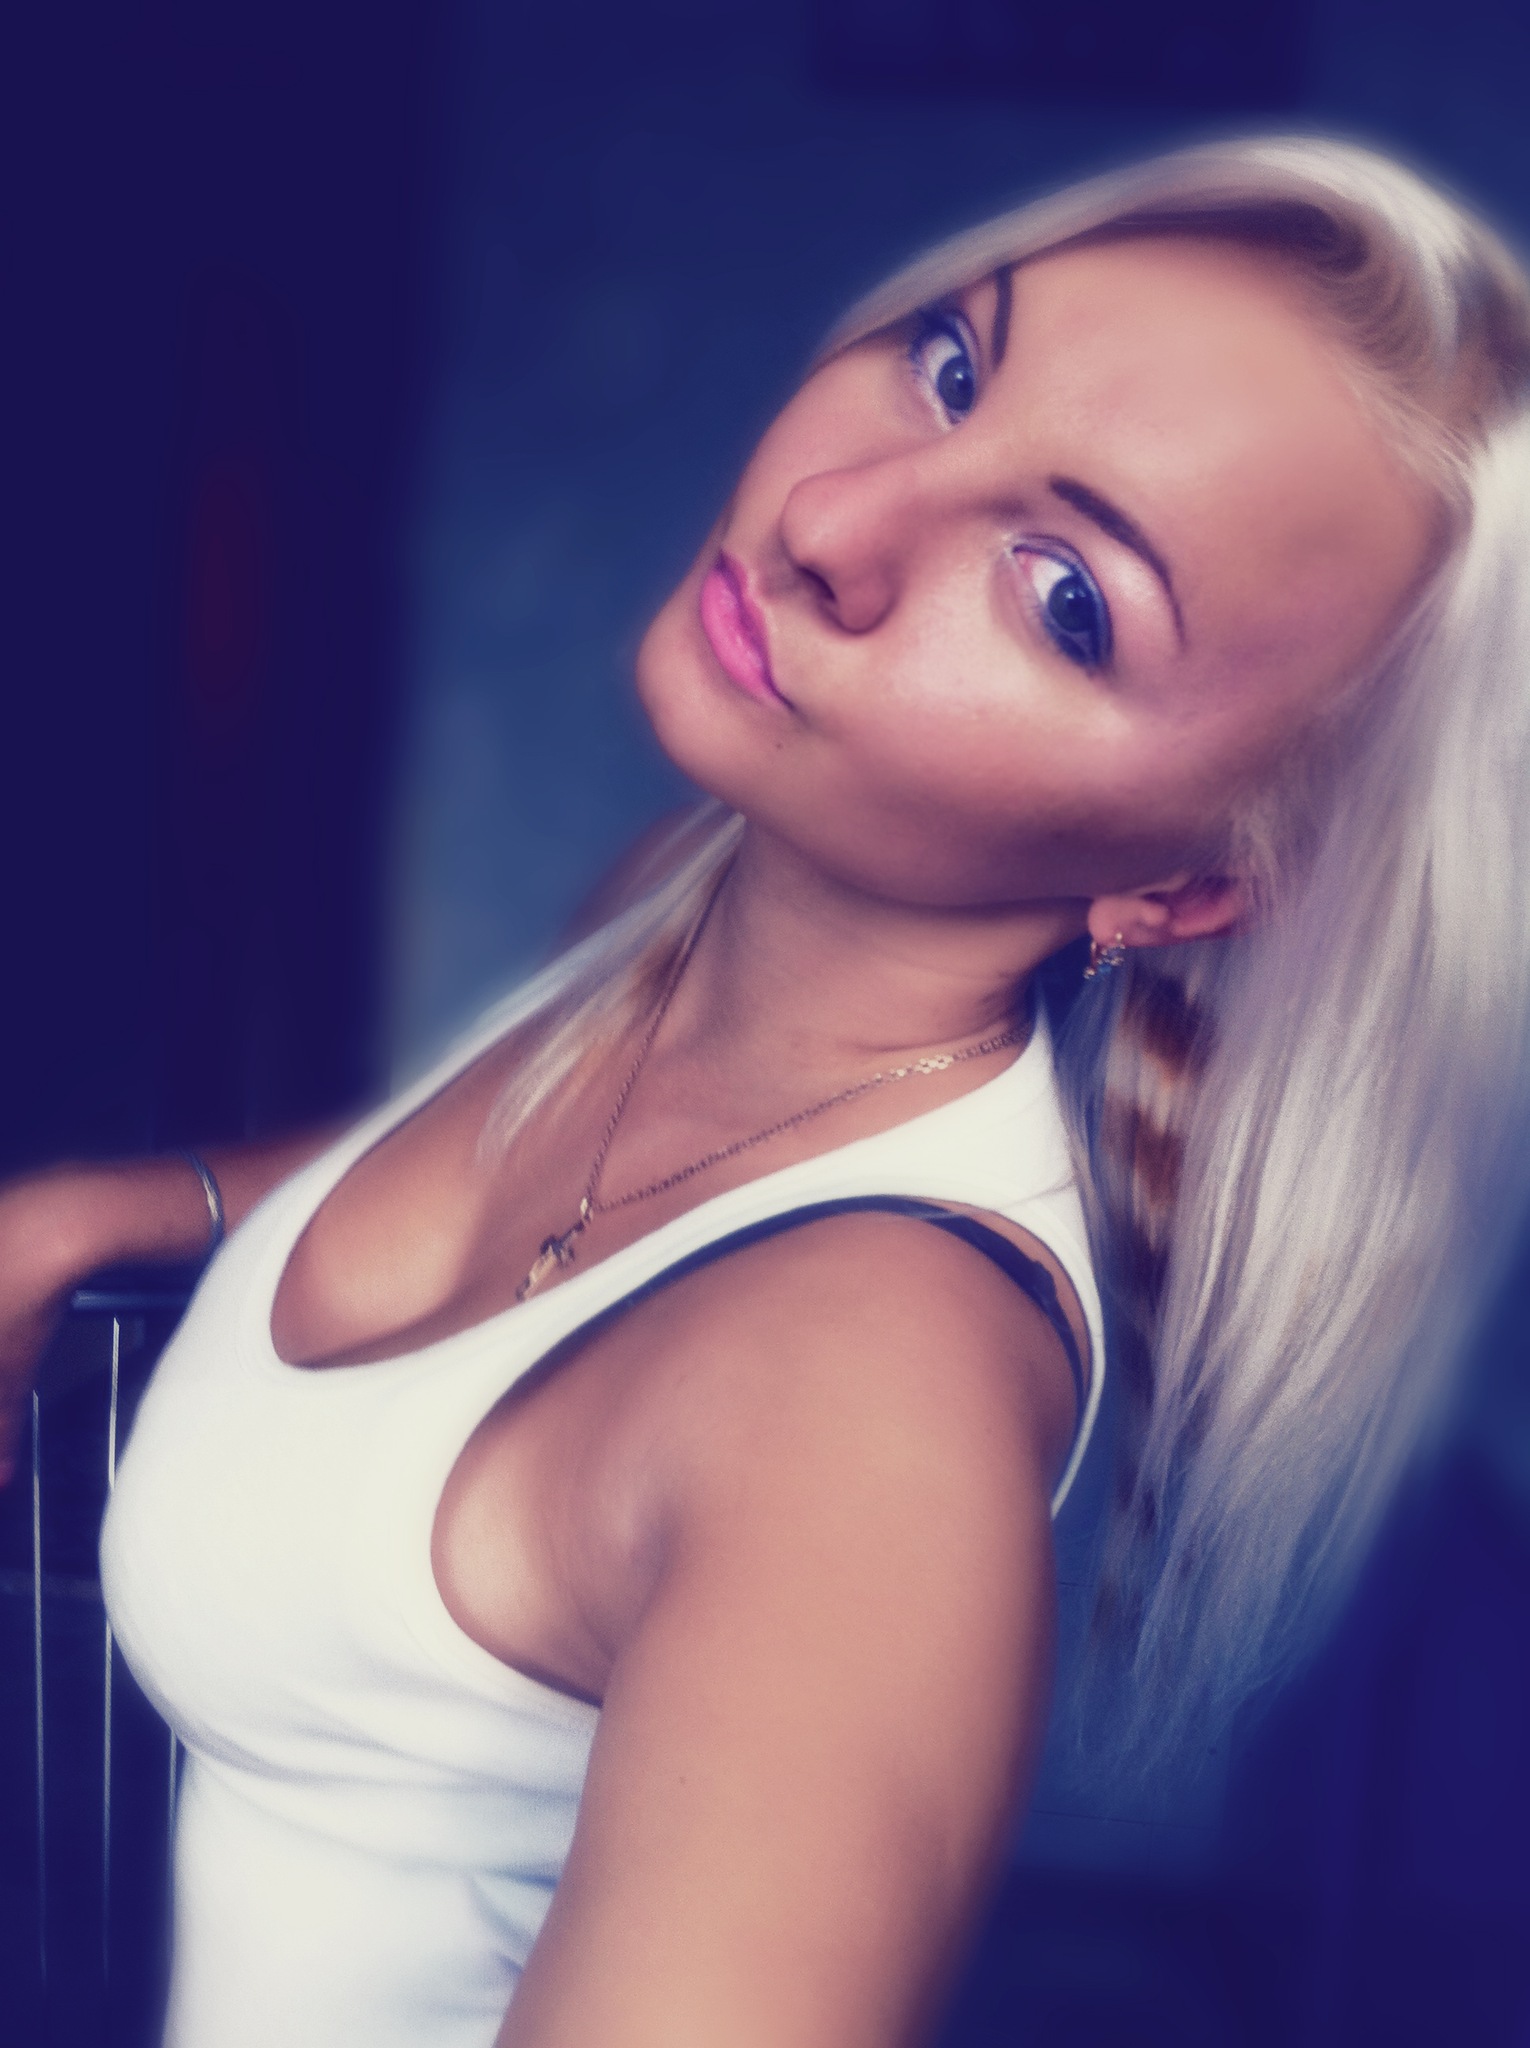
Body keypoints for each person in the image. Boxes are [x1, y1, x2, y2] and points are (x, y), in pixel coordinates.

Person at [3, 132, 1529, 2047]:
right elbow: (498, 1195)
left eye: (1066, 597)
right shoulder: (672, 900)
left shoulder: (862, 1424)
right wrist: (118, 1210)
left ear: (1189, 887)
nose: (836, 519)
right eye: (952, 367)